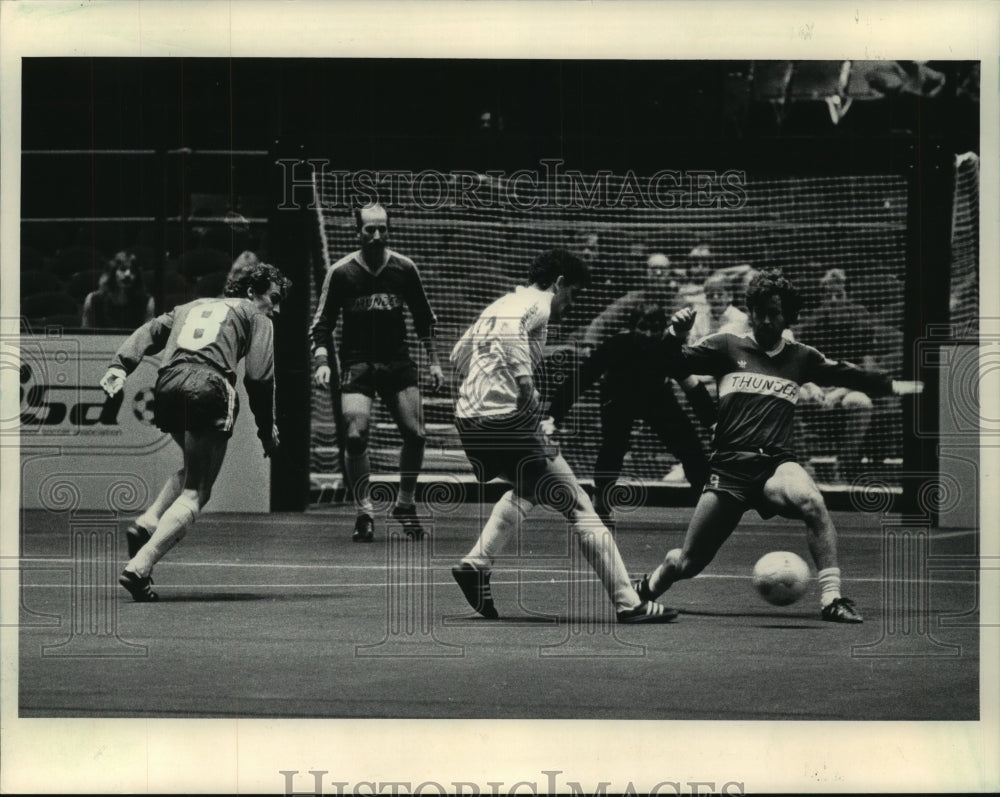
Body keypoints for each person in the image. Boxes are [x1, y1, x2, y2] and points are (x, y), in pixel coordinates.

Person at [632, 268, 923, 623]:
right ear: (750, 312)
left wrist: (893, 387)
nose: (765, 320)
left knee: (812, 502)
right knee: (688, 563)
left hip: (775, 466)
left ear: (788, 318)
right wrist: (674, 333)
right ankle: (645, 590)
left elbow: (847, 374)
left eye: (774, 313)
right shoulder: (726, 345)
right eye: (758, 312)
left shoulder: (801, 357)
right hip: (729, 470)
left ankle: (832, 599)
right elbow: (670, 362)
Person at [450, 248, 677, 624]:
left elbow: (460, 354)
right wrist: (524, 389)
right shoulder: (535, 303)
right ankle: (629, 603)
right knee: (579, 505)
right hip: (505, 419)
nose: (570, 304)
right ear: (558, 284)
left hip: (470, 420)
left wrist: (491, 387)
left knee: (529, 486)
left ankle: (476, 563)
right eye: (572, 294)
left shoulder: (499, 303)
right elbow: (512, 336)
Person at [99, 262, 290, 602]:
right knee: (197, 493)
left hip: (168, 386)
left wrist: (119, 364)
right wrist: (265, 429)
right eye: (273, 299)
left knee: (191, 469)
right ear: (251, 293)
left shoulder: (191, 306)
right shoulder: (256, 316)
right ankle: (139, 567)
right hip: (209, 386)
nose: (276, 309)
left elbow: (149, 331)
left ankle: (147, 521)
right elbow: (259, 377)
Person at [310, 203, 444, 542]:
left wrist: (434, 362)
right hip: (357, 364)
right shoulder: (341, 272)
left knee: (416, 435)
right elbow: (322, 324)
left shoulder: (404, 268)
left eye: (382, 228)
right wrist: (323, 361)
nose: (377, 235)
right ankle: (364, 511)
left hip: (397, 362)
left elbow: (424, 317)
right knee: (355, 436)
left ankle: (405, 503)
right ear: (358, 231)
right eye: (370, 229)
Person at [546, 301, 716, 525]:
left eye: (655, 328)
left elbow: (692, 387)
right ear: (631, 327)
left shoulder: (668, 348)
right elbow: (581, 379)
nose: (648, 334)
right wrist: (552, 417)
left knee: (689, 445)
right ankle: (602, 502)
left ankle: (708, 506)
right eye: (643, 327)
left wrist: (713, 423)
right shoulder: (616, 345)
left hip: (657, 397)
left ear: (663, 329)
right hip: (618, 397)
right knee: (614, 445)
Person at [796, 268, 879, 480]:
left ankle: (841, 468)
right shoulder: (811, 324)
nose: (833, 300)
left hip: (848, 388)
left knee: (862, 403)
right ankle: (804, 466)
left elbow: (866, 371)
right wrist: (813, 388)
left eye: (838, 294)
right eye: (828, 295)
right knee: (787, 398)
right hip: (815, 388)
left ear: (847, 295)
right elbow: (798, 366)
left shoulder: (862, 320)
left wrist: (837, 394)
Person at [81, 249, 155, 329]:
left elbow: (147, 336)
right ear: (112, 272)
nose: (128, 274)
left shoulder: (146, 302)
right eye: (122, 269)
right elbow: (86, 333)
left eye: (133, 271)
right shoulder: (93, 300)